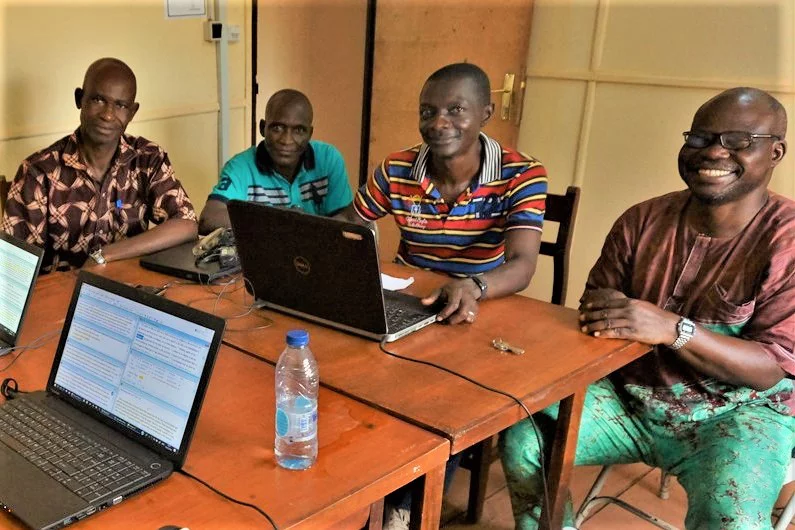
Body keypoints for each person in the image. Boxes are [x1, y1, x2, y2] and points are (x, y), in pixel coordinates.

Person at [500, 87, 795, 530]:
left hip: (738, 413)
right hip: (630, 396)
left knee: (731, 516)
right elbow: (596, 304)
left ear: (775, 152)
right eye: (699, 138)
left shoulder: (786, 240)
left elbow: (771, 366)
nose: (713, 151)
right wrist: (612, 312)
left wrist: (673, 329)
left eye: (738, 140)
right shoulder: (641, 220)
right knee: (525, 441)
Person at [341, 62, 548, 326]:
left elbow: (523, 264)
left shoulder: (521, 174)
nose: (438, 123)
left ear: (486, 113)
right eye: (427, 112)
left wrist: (474, 286)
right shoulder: (396, 168)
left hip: (482, 298)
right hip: (410, 299)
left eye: (456, 110)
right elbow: (349, 221)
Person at [1, 58, 197, 274]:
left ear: (132, 112)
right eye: (98, 100)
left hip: (129, 290)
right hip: (60, 298)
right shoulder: (39, 172)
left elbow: (186, 224)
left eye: (121, 105)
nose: (108, 115)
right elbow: (15, 270)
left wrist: (104, 255)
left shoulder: (147, 159)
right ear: (79, 99)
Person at [199, 89, 353, 233]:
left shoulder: (328, 159)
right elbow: (209, 218)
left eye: (298, 130)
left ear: (310, 134)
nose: (286, 140)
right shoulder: (241, 166)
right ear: (262, 128)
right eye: (277, 128)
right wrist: (279, 220)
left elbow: (344, 222)